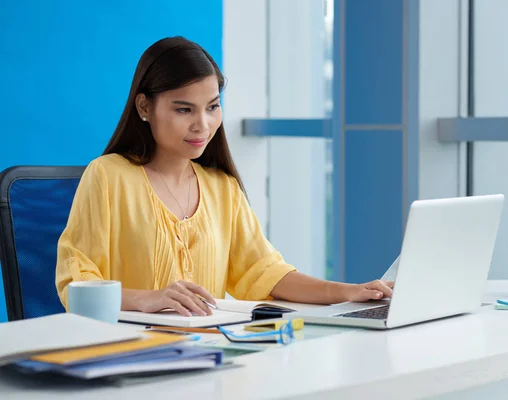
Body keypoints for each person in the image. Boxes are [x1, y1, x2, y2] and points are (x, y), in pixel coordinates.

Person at [55, 36, 393, 317]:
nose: (202, 124)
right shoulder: (108, 176)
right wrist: (149, 298)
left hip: (208, 355)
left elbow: (264, 274)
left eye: (213, 106)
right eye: (183, 109)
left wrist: (349, 292)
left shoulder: (222, 188)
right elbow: (76, 284)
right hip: (126, 358)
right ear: (144, 108)